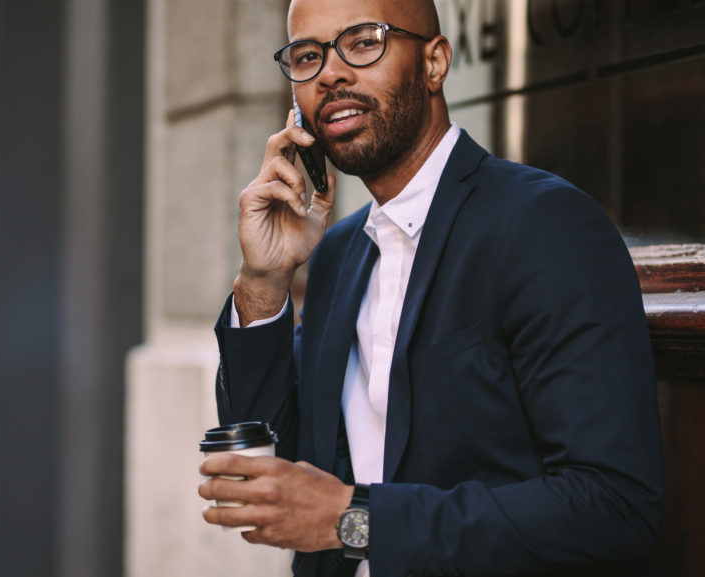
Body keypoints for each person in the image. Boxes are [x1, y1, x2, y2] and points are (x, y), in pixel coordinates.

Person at [197, 0, 664, 575]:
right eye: (308, 55)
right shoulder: (340, 252)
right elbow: (277, 464)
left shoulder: (544, 225)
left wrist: (353, 517)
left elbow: (613, 508)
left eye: (364, 42)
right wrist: (265, 282)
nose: (331, 73)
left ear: (435, 63)